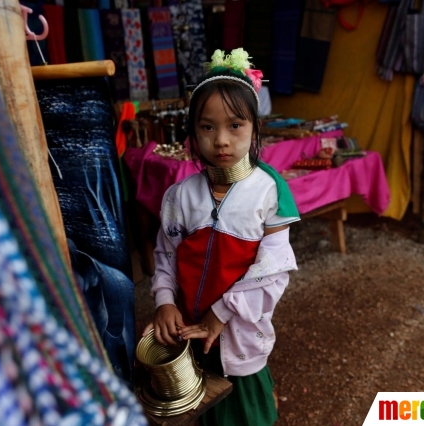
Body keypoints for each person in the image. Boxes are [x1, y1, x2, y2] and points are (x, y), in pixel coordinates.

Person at [142, 48, 300, 426]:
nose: (222, 140)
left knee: (245, 412)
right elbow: (166, 256)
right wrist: (165, 301)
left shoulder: (268, 194)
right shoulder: (180, 196)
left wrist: (220, 314)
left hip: (239, 336)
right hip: (187, 335)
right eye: (207, 127)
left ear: (255, 128)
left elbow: (272, 273)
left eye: (235, 125)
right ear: (193, 133)